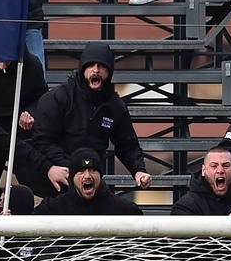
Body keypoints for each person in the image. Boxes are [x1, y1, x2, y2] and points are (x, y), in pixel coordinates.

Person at [25, 42, 151, 190]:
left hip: (88, 183)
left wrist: (139, 171)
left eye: (102, 66)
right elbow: (42, 141)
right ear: (83, 68)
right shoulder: (58, 97)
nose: (96, 70)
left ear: (109, 71)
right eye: (91, 65)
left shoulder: (115, 107)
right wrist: (73, 166)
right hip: (51, 179)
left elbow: (127, 145)